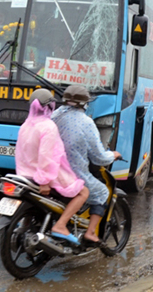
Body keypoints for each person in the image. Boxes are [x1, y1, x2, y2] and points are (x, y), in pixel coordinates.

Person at [15, 88, 89, 246]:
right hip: (43, 175)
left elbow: (20, 154)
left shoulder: (25, 125)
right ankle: (61, 225)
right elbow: (46, 156)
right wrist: (44, 180)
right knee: (83, 192)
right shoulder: (48, 126)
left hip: (24, 174)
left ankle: (27, 223)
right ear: (50, 106)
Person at [52, 85, 121, 245]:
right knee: (102, 192)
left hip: (49, 169)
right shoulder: (86, 123)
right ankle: (90, 232)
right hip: (72, 172)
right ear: (85, 103)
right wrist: (113, 155)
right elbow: (99, 158)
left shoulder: (55, 115)